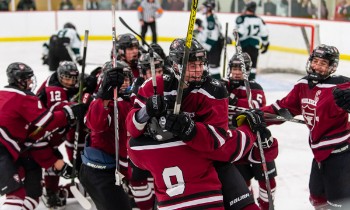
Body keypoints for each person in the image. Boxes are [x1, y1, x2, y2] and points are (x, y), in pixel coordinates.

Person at [126, 38, 273, 210]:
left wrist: (190, 129)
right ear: (175, 65)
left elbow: (217, 139)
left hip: (202, 172)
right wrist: (146, 111)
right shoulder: (154, 86)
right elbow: (132, 129)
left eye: (200, 64)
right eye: (192, 65)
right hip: (194, 176)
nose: (198, 70)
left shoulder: (213, 89)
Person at [261, 44, 350, 209]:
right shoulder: (303, 85)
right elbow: (282, 108)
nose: (317, 66)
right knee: (317, 198)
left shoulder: (340, 85)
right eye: (315, 61)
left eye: (323, 63)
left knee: (340, 204)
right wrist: (257, 116)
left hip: (341, 155)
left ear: (332, 67)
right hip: (319, 155)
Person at [0, 62, 85, 210]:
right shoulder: (24, 98)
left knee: (31, 195)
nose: (32, 82)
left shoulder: (3, 94)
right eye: (28, 79)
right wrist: (69, 113)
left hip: (13, 150)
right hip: (4, 150)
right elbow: (47, 122)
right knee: (16, 194)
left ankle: (51, 189)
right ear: (20, 81)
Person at [225, 52, 278, 210]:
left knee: (267, 180)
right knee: (241, 181)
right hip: (236, 141)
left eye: (240, 69)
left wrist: (233, 100)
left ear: (247, 70)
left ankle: (266, 206)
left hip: (257, 141)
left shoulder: (254, 87)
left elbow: (255, 107)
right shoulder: (223, 85)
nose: (236, 72)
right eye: (234, 68)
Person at [79, 60, 133, 210]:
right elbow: (96, 124)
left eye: (126, 78)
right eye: (118, 80)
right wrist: (104, 96)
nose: (123, 82)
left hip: (115, 171)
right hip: (100, 172)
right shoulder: (102, 102)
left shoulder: (132, 100)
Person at [235, 1, 269, 80]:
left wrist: (233, 39)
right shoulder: (259, 19)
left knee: (242, 65)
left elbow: (240, 32)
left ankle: (242, 85)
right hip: (254, 46)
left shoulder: (242, 18)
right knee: (253, 67)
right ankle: (252, 83)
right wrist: (265, 44)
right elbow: (264, 34)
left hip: (243, 45)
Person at [195, 0, 224, 80]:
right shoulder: (210, 18)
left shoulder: (210, 20)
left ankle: (219, 86)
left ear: (209, 8)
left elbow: (213, 36)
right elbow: (208, 32)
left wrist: (205, 48)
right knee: (208, 67)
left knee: (213, 69)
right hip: (213, 46)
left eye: (204, 7)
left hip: (213, 46)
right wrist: (201, 29)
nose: (202, 8)